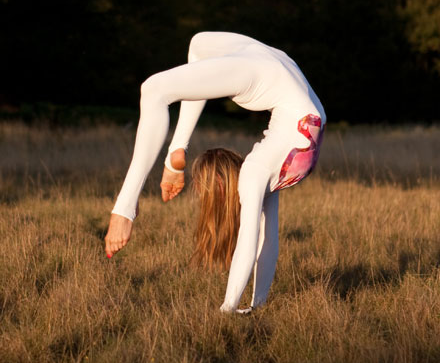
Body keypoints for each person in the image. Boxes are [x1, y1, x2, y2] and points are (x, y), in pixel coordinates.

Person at [105, 31, 326, 312]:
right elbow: (260, 239)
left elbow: (256, 238)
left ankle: (125, 208)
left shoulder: (260, 171)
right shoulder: (259, 170)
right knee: (176, 67)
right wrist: (238, 306)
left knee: (165, 77)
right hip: (288, 97)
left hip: (299, 112)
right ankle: (174, 156)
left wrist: (230, 307)